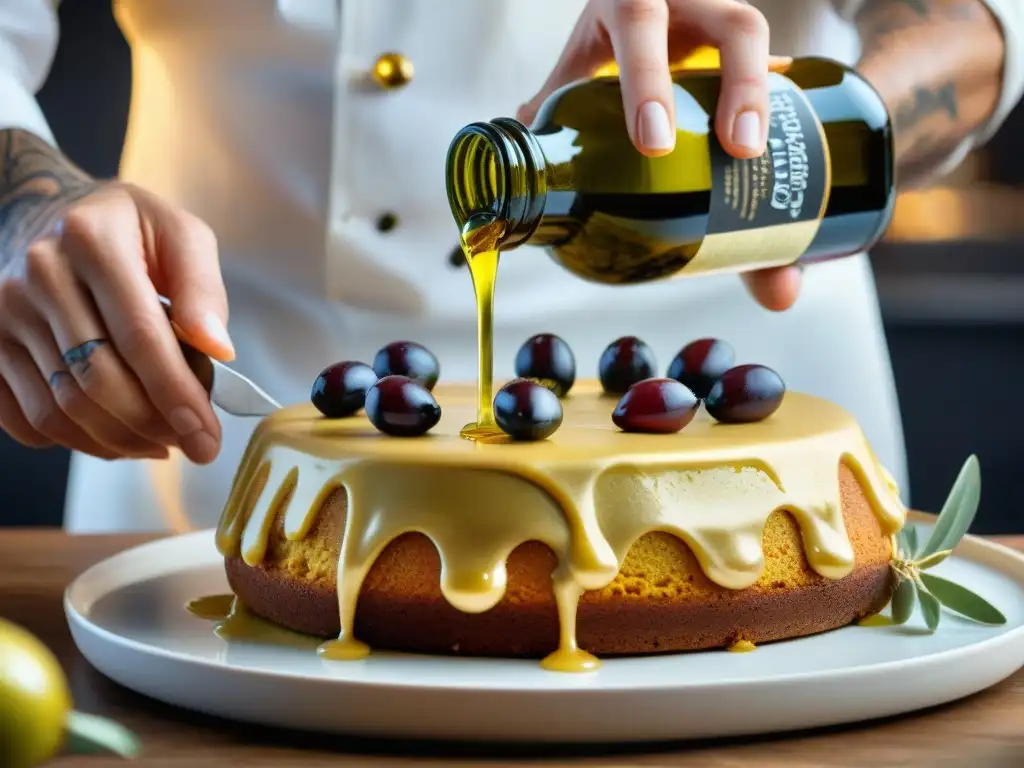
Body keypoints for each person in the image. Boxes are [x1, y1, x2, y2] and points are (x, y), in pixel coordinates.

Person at [0, 0, 1020, 533]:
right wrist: (28, 204)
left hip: (759, 450)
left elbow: (981, 15)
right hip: (221, 427)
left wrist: (835, 134)